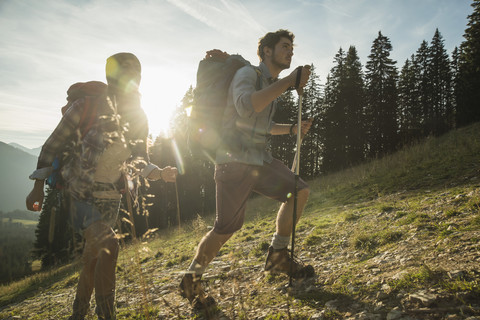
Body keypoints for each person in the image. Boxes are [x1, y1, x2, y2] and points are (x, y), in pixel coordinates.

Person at [26, 52, 178, 320]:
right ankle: (107, 315)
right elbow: (52, 145)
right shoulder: (86, 106)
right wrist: (37, 186)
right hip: (78, 194)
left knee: (93, 258)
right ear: (112, 76)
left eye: (137, 74)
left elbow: (140, 159)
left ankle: (78, 313)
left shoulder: (139, 115)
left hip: (111, 197)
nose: (133, 78)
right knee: (109, 244)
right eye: (126, 72)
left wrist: (159, 173)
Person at [180, 29, 314, 308]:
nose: (290, 51)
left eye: (292, 47)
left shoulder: (268, 83)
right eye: (284, 46)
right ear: (266, 50)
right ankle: (191, 279)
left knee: (298, 190)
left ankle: (278, 255)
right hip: (233, 161)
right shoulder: (248, 75)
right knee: (227, 227)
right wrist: (290, 81)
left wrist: (291, 129)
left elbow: (261, 125)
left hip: (258, 160)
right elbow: (246, 106)